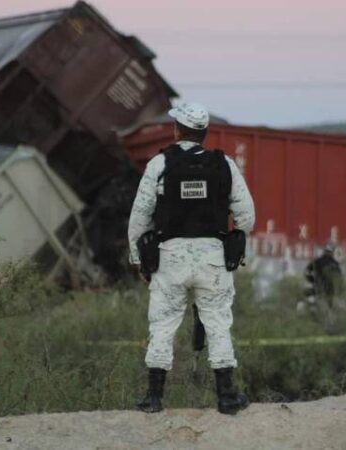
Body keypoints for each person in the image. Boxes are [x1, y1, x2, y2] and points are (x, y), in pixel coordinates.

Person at [127, 101, 255, 415]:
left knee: (163, 325)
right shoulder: (224, 165)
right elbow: (246, 216)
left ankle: (154, 399)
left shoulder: (160, 164)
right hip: (213, 258)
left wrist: (138, 259)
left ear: (177, 130)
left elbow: (140, 216)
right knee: (217, 324)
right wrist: (235, 239)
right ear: (205, 132)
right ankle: (226, 398)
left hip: (170, 258)